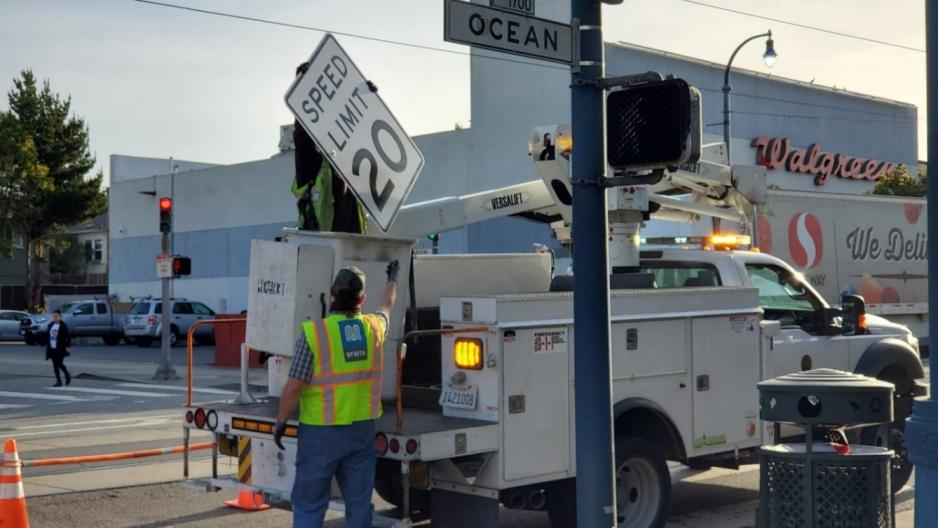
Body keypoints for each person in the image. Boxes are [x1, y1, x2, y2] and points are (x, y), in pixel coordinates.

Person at [274, 260, 399, 528]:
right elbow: (386, 307)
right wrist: (393, 280)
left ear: (332, 292)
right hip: (361, 431)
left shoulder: (314, 334)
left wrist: (281, 421)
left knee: (309, 505)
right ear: (362, 298)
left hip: (320, 434)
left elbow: (295, 385)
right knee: (358, 505)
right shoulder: (374, 328)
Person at [292, 62, 367, 234]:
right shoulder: (312, 166)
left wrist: (368, 102)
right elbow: (302, 137)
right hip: (322, 253)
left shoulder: (351, 170)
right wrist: (301, 89)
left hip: (352, 252)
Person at [45, 310, 71, 387]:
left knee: (59, 363)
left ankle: (66, 374)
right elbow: (48, 336)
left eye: (57, 316)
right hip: (52, 348)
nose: (55, 318)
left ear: (60, 317)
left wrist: (68, 346)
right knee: (55, 365)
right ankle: (58, 381)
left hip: (60, 348)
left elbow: (68, 337)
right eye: (54, 316)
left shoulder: (63, 326)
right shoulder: (51, 326)